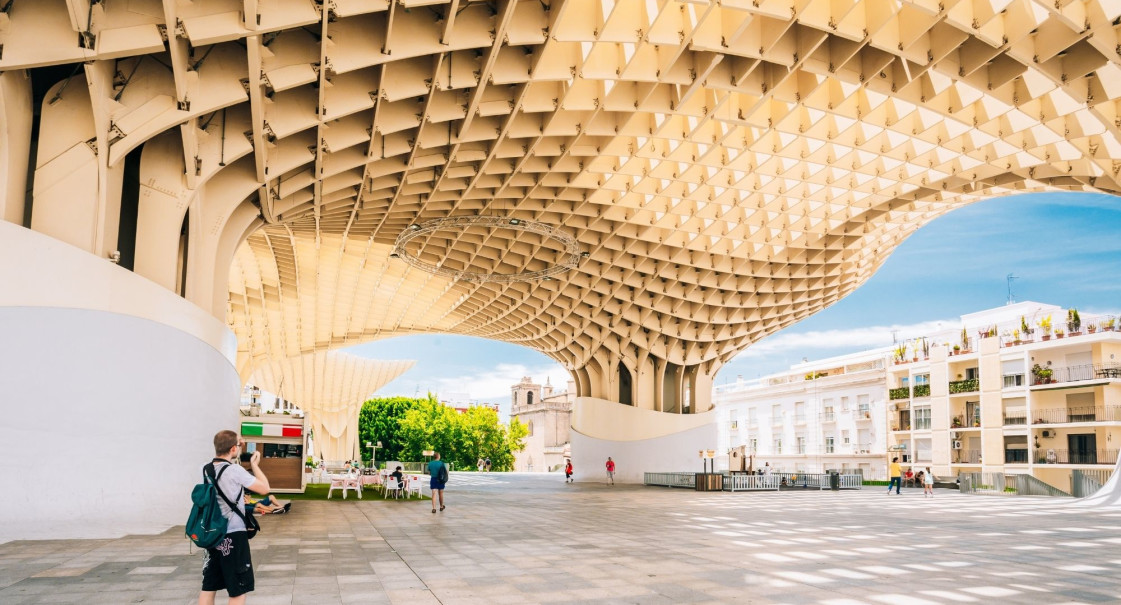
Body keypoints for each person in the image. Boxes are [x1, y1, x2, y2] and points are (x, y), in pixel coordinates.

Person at [199, 430, 269, 605]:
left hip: (213, 534)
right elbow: (264, 488)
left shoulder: (206, 469)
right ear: (232, 449)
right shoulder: (234, 470)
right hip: (233, 534)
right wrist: (255, 465)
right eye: (239, 444)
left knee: (209, 585)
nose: (241, 446)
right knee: (238, 587)